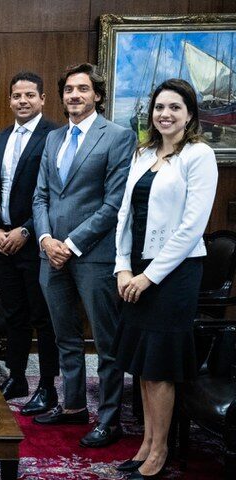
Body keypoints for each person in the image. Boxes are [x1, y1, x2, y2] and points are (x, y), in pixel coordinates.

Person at [112, 79, 217, 479]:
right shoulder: (143, 154)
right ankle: (145, 444)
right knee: (141, 364)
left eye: (175, 107)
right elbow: (125, 215)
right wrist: (123, 267)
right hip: (136, 268)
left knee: (159, 367)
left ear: (190, 113)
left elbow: (191, 227)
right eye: (159, 107)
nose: (165, 114)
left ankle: (160, 452)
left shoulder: (198, 155)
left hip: (174, 274)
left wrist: (149, 278)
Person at [31, 63, 136, 448]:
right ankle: (74, 405)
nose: (74, 95)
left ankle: (109, 420)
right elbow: (41, 194)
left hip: (92, 255)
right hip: (50, 254)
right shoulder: (54, 138)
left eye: (82, 89)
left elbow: (113, 204)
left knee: (105, 344)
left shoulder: (118, 137)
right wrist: (45, 239)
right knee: (65, 337)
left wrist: (71, 244)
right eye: (69, 89)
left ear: (97, 95)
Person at [0, 71, 60, 414]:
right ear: (9, 100)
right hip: (2, 242)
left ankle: (46, 386)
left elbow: (55, 194)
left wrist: (25, 230)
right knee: (13, 313)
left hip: (35, 240)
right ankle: (16, 376)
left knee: (43, 317)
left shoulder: (55, 136)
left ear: (42, 99)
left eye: (30, 95)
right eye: (17, 96)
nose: (23, 101)